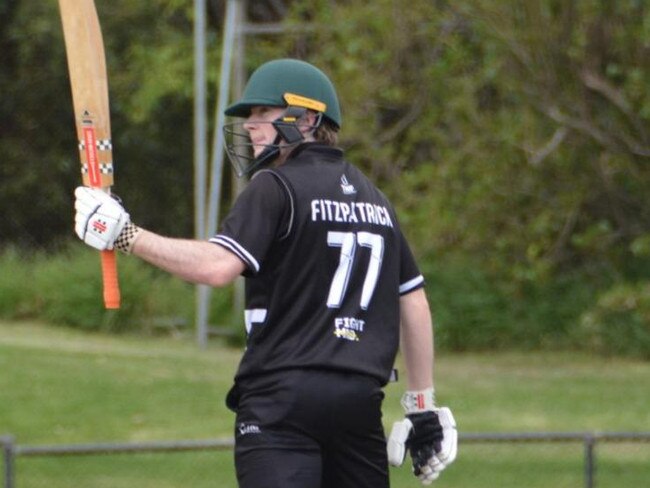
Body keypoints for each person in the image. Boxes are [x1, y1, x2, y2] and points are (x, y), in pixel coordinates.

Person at [74, 58, 457, 487]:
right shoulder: (377, 201)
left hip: (281, 401)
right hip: (358, 404)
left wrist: (126, 236)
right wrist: (422, 405)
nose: (251, 127)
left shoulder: (275, 186)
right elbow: (413, 299)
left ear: (308, 118)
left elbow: (218, 267)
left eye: (262, 114)